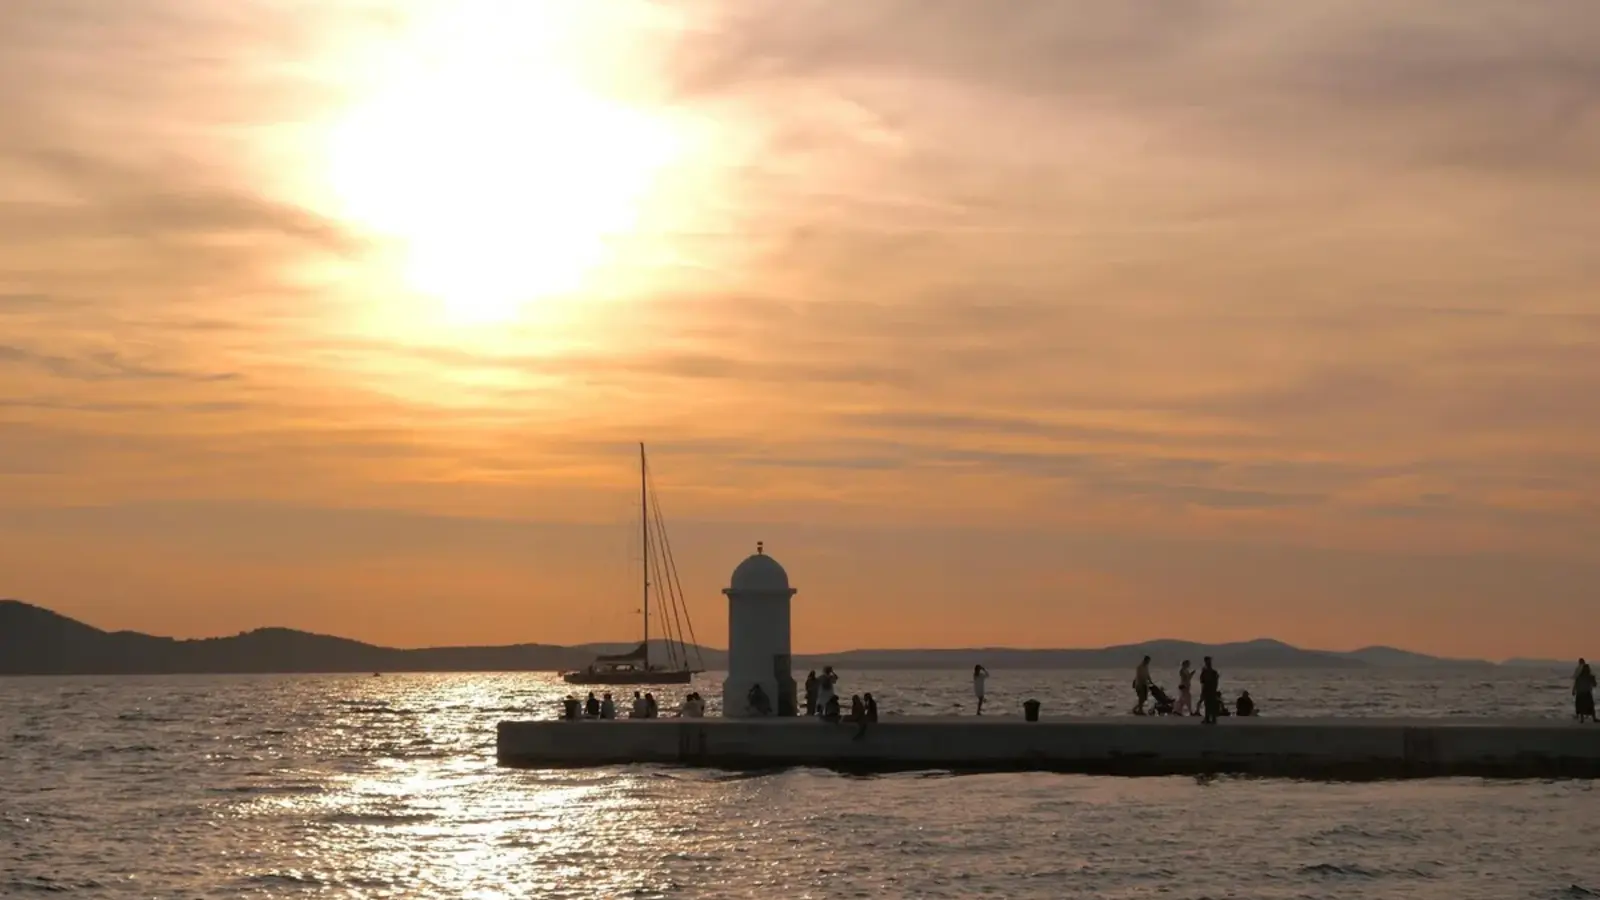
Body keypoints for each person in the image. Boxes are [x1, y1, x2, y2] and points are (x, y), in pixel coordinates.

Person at [1199, 657, 1220, 725]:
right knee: (1210, 704)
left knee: (1208, 704)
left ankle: (1209, 718)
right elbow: (1215, 681)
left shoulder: (1206, 671)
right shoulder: (1213, 672)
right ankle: (1211, 718)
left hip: (1208, 689)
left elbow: (1203, 682)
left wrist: (1203, 691)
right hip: (1211, 689)